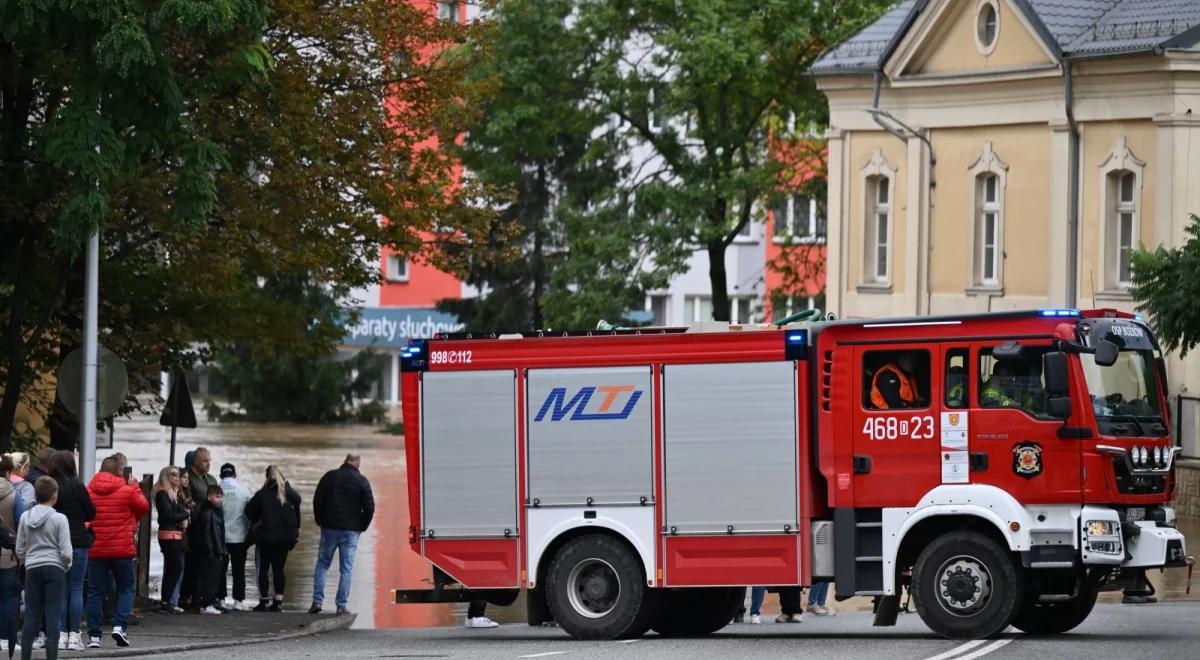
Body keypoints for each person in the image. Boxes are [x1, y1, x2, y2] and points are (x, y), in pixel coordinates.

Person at [86, 457, 150, 649]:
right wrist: (135, 486)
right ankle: (120, 626)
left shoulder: (88, 491)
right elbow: (144, 507)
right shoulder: (128, 490)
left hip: (96, 548)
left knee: (95, 592)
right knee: (126, 588)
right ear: (119, 472)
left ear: (100, 470)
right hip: (121, 549)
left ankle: (94, 636)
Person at [309, 454, 375, 615]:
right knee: (346, 569)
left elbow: (317, 500)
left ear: (345, 461)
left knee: (323, 564)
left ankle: (317, 602)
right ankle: (341, 605)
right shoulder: (361, 481)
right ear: (357, 462)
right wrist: (362, 527)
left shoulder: (329, 477)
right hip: (351, 531)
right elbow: (370, 507)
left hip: (329, 528)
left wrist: (320, 521)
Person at [16, 477, 72, 660]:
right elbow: (66, 551)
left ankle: (25, 656)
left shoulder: (25, 517)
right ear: (54, 495)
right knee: (52, 614)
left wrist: (28, 561)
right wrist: (65, 566)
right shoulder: (59, 519)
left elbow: (19, 549)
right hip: (54, 568)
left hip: (32, 568)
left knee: (32, 614)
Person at [49, 451, 94, 652]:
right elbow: (91, 512)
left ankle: (60, 635)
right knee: (76, 589)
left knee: (61, 591)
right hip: (77, 542)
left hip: (56, 543)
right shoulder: (77, 486)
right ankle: (74, 635)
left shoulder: (51, 486)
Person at [245, 466, 301, 612]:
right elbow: (298, 506)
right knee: (278, 569)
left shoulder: (262, 495)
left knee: (262, 570)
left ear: (267, 478)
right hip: (285, 539)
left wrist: (258, 521)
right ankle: (278, 602)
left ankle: (263, 601)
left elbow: (249, 511)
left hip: (265, 538)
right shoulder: (290, 495)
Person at [153, 466, 190, 613]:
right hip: (168, 536)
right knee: (175, 568)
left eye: (178, 474)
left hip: (174, 535)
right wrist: (185, 516)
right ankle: (166, 601)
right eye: (173, 474)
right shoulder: (162, 494)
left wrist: (183, 515)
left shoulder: (172, 494)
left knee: (173, 568)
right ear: (166, 476)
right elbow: (167, 516)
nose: (177, 477)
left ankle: (166, 601)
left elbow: (180, 510)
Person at [218, 463, 252, 611]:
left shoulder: (216, 491)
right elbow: (251, 513)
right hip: (239, 538)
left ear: (221, 476)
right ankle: (238, 601)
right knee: (239, 570)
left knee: (221, 570)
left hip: (220, 538)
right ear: (235, 475)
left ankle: (221, 599)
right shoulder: (244, 491)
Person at [0, 457, 24, 655]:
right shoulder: (15, 495)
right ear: (8, 473)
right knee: (8, 597)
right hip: (9, 554)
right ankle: (5, 638)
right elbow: (21, 523)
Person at [193, 486, 228, 615]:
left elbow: (219, 533)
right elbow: (207, 534)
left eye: (220, 497)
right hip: (211, 552)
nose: (220, 500)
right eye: (217, 497)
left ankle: (209, 602)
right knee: (209, 578)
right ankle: (207, 604)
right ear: (209, 497)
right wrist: (211, 551)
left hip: (217, 550)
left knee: (214, 578)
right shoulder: (208, 513)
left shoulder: (216, 511)